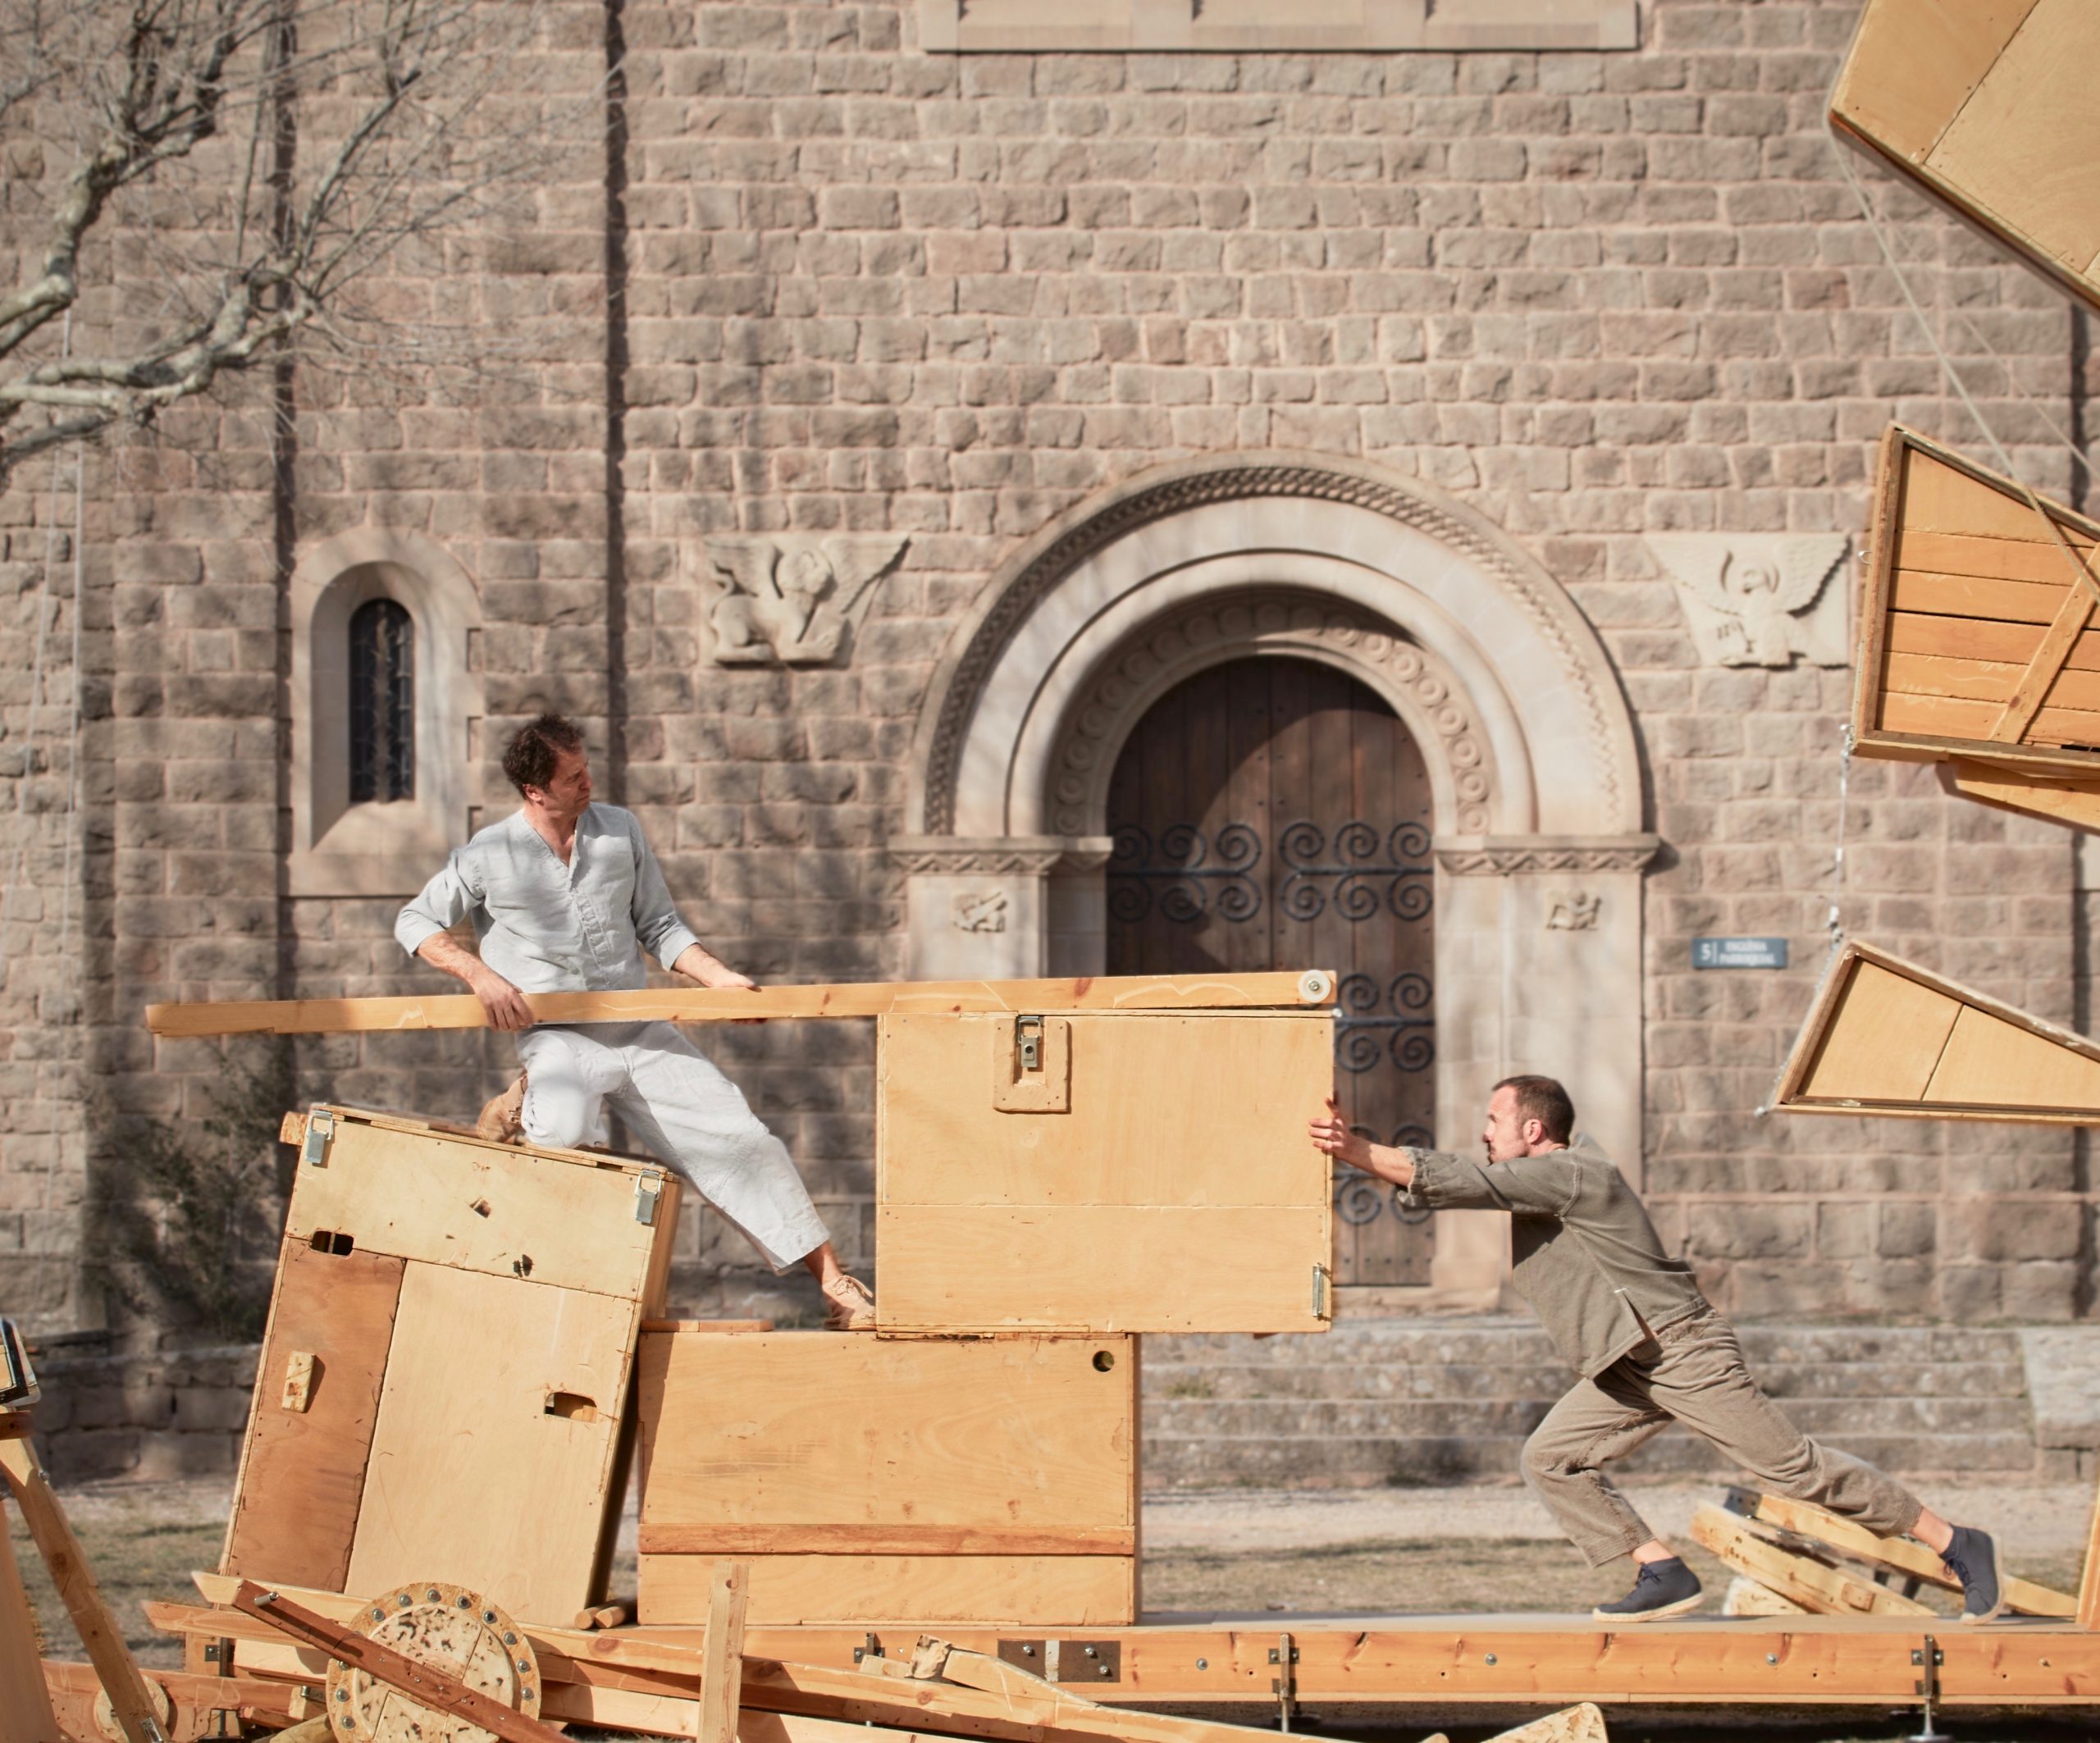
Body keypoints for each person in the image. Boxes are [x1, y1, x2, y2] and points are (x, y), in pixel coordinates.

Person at [1308, 1076, 2004, 1622]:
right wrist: (1358, 1144)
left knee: (1794, 1468)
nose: (1484, 1135)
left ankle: (1954, 1541)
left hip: (1681, 1351)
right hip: (1628, 1363)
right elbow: (1453, 1184)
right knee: (1549, 1457)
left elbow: (1469, 1180)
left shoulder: (1574, 1172)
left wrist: (1355, 1149)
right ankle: (1661, 1570)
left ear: (1532, 1128)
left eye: (1493, 1123)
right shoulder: (1538, 1186)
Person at [395, 712, 874, 1330]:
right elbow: (415, 921)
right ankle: (531, 1119)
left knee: (743, 1138)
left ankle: (837, 1286)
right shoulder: (490, 853)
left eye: (585, 766)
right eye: (572, 776)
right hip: (558, 1035)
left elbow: (660, 925)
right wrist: (480, 975)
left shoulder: (619, 832)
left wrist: (719, 977)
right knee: (563, 1132)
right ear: (535, 791)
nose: (588, 781)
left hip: (638, 1030)